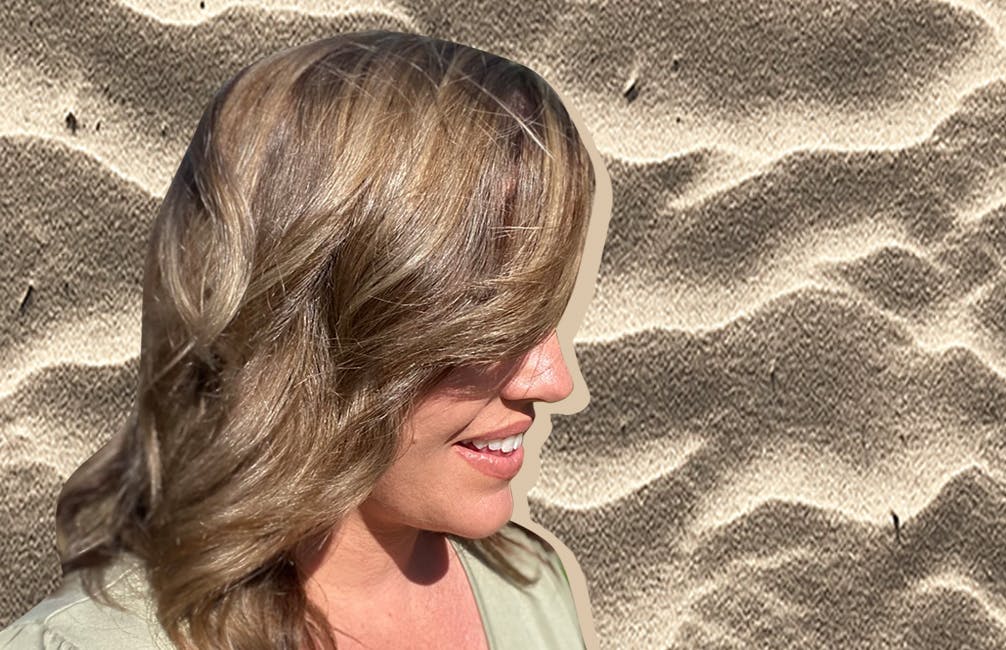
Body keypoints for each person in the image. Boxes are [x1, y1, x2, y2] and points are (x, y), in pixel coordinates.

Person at [0, 29, 599, 649]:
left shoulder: (528, 589)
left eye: (545, 310)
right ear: (308, 325)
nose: (555, 380)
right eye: (490, 318)